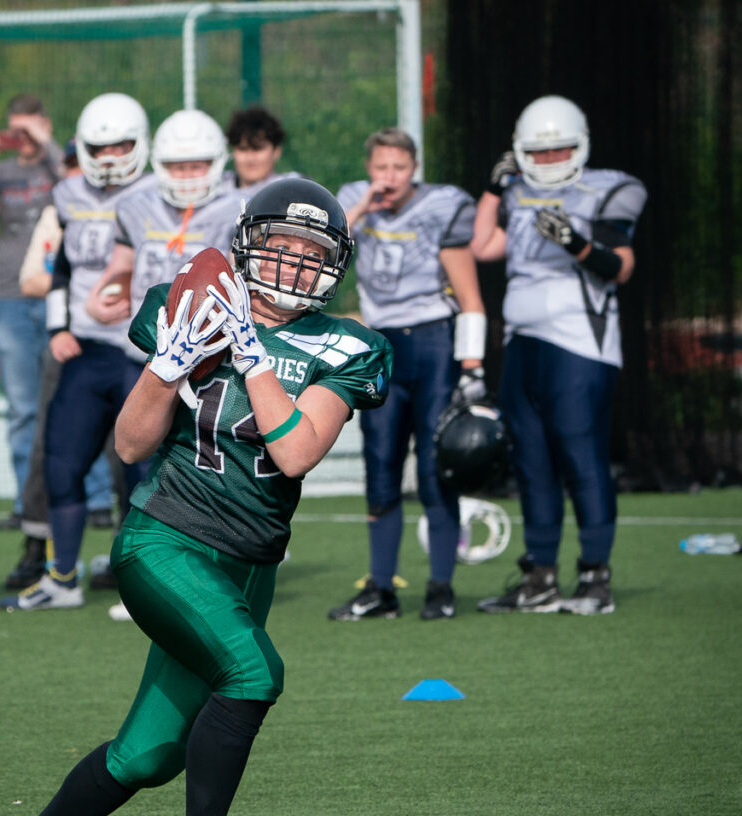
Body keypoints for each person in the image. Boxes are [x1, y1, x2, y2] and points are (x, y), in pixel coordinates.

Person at [0, 177, 392, 816]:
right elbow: (129, 444)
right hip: (165, 539)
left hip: (249, 564)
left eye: (312, 253)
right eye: (282, 247)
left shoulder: (349, 344)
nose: (296, 264)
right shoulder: (186, 307)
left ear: (334, 265)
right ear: (248, 246)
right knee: (254, 673)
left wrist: (250, 353)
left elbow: (296, 451)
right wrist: (169, 361)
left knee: (146, 755)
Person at [1, 108, 241, 615]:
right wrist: (98, 296)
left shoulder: (236, 209)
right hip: (130, 352)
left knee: (162, 478)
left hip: (200, 365)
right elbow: (118, 265)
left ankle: (161, 581)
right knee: (63, 459)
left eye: (197, 165)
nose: (187, 176)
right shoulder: (135, 205)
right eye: (177, 165)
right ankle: (62, 577)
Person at [471, 95, 647, 614]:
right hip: (522, 340)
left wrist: (577, 244)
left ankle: (595, 576)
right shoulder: (516, 190)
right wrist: (492, 189)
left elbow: (621, 267)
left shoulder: (610, 187)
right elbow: (482, 247)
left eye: (559, 150)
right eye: (538, 152)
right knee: (531, 460)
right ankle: (540, 577)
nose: (548, 160)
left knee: (580, 454)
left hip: (579, 343)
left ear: (580, 146)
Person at [0, 93, 154, 613]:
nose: (109, 157)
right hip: (85, 347)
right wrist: (58, 326)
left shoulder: (158, 194)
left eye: (120, 146)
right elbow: (61, 266)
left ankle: (143, 583)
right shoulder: (68, 193)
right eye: (99, 147)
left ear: (140, 145)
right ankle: (61, 577)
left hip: (142, 352)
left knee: (138, 474)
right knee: (61, 462)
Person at [328, 128, 486, 622]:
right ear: (369, 169)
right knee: (380, 466)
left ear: (414, 168)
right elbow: (327, 244)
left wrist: (473, 366)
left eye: (399, 167)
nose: (389, 177)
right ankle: (381, 588)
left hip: (433, 342)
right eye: (381, 167)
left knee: (438, 468)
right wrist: (363, 206)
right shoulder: (356, 201)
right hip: (381, 345)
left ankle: (441, 587)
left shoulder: (441, 206)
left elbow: (470, 296)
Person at [0, 94, 63, 531]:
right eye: (15, 129)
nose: (21, 137)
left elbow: (75, 190)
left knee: (69, 401)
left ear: (45, 125)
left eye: (29, 128)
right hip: (10, 300)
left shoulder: (59, 164)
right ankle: (26, 502)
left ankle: (94, 498)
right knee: (23, 409)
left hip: (57, 294)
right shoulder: (2, 172)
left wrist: (49, 146)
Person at [223, 105, 291, 194]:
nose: (250, 158)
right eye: (243, 149)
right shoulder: (216, 191)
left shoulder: (291, 190)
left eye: (257, 149)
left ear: (276, 152)